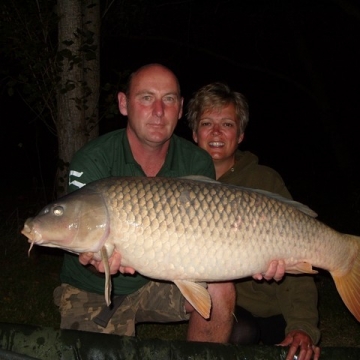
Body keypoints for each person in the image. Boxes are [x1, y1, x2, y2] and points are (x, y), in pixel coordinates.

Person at [54, 63, 238, 343]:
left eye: (169, 99)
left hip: (160, 279)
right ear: (124, 104)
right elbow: (78, 234)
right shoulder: (93, 159)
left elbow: (203, 240)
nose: (158, 111)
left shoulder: (196, 161)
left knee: (221, 287)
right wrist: (96, 262)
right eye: (146, 98)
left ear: (180, 108)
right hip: (92, 287)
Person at [187, 82, 321, 360]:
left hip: (273, 308)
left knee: (293, 349)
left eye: (227, 124)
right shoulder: (179, 184)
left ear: (241, 134)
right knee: (241, 331)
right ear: (194, 133)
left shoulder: (264, 181)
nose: (216, 132)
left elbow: (300, 257)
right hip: (230, 312)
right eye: (206, 123)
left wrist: (302, 326)